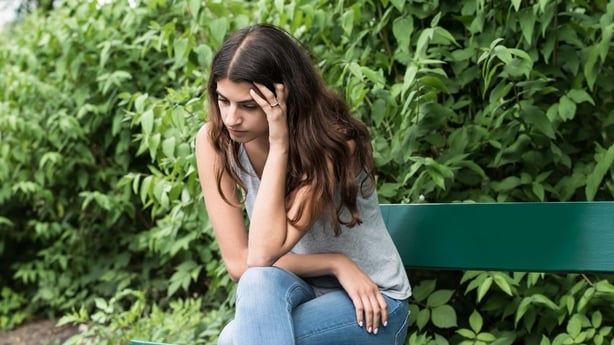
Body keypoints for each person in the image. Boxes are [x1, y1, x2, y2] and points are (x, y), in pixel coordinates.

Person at [195, 23, 411, 345]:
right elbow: (245, 263)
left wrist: (280, 145)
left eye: (248, 106)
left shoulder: (333, 143)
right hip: (300, 290)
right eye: (223, 100)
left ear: (286, 97)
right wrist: (335, 262)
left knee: (233, 339)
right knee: (256, 283)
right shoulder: (216, 142)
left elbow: (262, 253)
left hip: (373, 301)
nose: (231, 118)